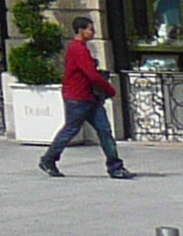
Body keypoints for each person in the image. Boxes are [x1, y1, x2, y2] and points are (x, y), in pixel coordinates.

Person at [40, 15, 134, 178]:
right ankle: (48, 159)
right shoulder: (78, 49)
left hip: (89, 97)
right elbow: (92, 75)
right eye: (90, 29)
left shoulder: (80, 48)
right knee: (71, 130)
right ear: (81, 30)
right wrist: (110, 89)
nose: (93, 32)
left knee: (104, 130)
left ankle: (115, 166)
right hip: (78, 97)